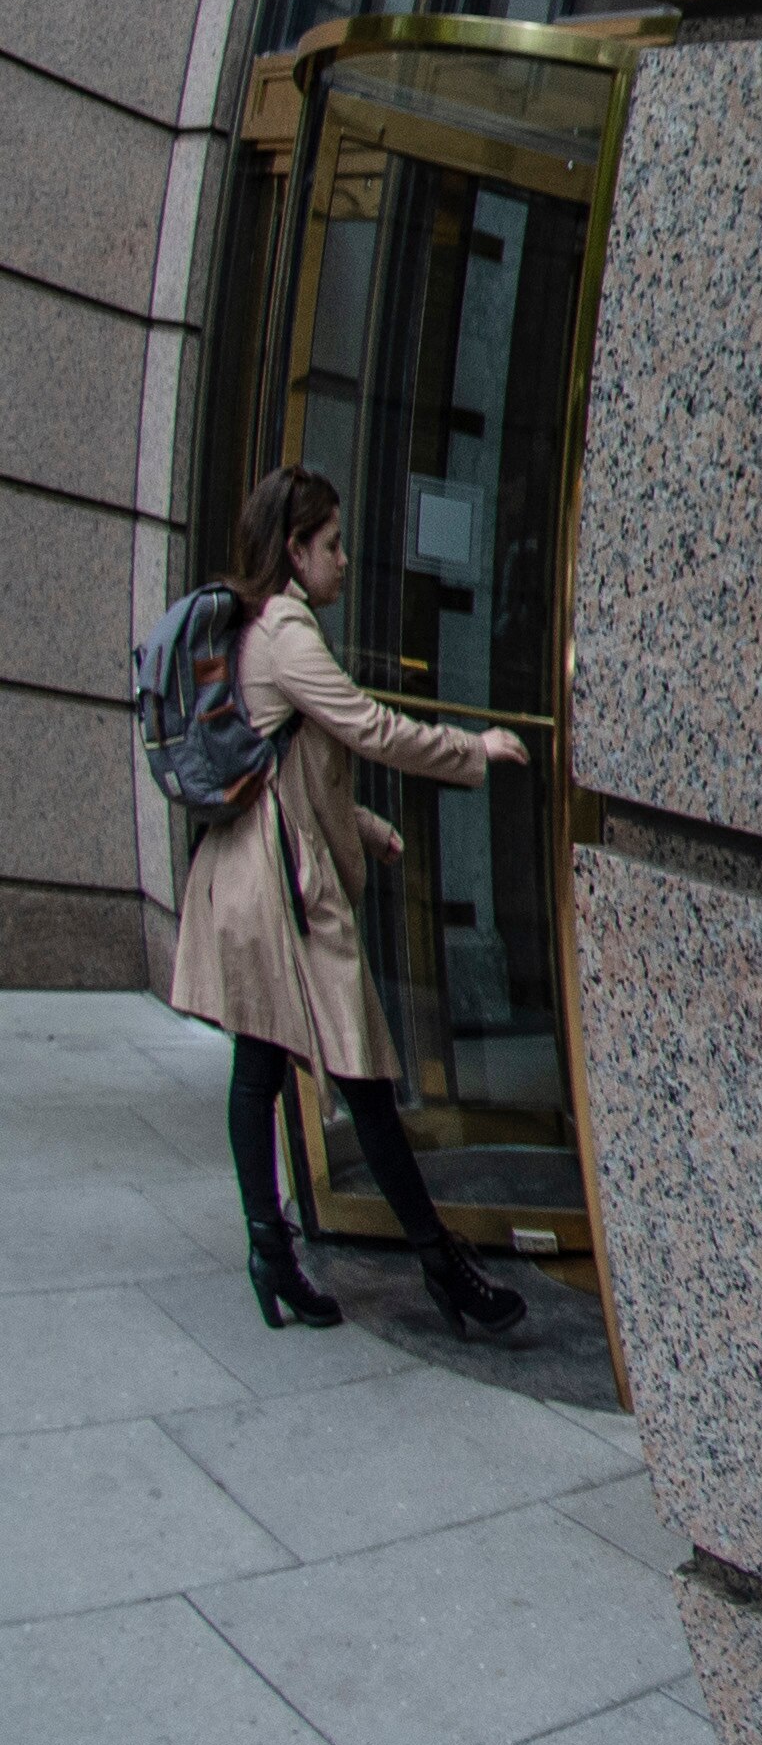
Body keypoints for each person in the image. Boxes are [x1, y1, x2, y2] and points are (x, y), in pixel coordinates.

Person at [172, 463, 535, 1338]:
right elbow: (368, 728)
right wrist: (472, 750)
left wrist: (364, 827)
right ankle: (443, 1268)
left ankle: (273, 1255)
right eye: (331, 544)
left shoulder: (259, 628)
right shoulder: (289, 634)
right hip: (279, 896)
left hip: (251, 874)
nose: (343, 558)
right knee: (366, 1077)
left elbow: (292, 762)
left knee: (258, 1072)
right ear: (296, 552)